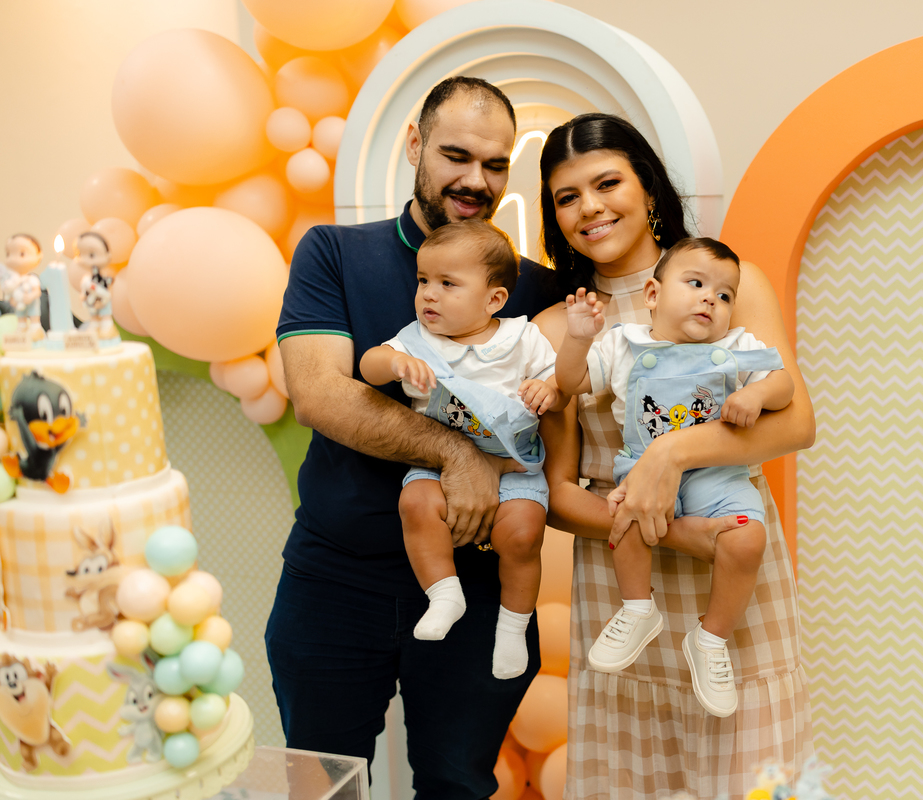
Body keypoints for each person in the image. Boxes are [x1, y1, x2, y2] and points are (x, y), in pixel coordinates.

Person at [265, 76, 560, 799]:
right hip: (335, 579)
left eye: (495, 165)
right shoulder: (333, 252)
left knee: (459, 784)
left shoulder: (530, 290)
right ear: (415, 144)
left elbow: (564, 414)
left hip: (479, 585)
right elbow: (320, 395)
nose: (475, 180)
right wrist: (454, 452)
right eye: (456, 156)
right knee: (322, 786)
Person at [533, 113, 817, 799]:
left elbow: (796, 422)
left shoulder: (727, 283)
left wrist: (671, 455)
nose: (589, 208)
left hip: (732, 562)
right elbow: (558, 495)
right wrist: (672, 530)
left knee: (749, 775)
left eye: (607, 184)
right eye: (567, 197)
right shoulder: (559, 328)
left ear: (649, 188)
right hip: (622, 580)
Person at [553, 237, 793, 719]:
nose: (710, 299)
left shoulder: (735, 346)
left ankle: (711, 639)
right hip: (644, 469)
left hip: (717, 474)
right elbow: (571, 382)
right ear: (653, 294)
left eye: (724, 295)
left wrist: (758, 395)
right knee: (626, 515)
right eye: (696, 284)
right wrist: (578, 339)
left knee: (748, 538)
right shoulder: (624, 343)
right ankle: (637, 609)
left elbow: (783, 383)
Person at [359, 219, 564, 680]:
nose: (428, 294)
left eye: (447, 284)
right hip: (437, 464)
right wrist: (394, 362)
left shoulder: (522, 338)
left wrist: (547, 387)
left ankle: (513, 628)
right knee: (415, 504)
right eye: (423, 280)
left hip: (515, 463)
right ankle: (444, 594)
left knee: (523, 535)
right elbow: (369, 365)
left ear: (494, 299)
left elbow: (559, 380)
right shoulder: (417, 340)